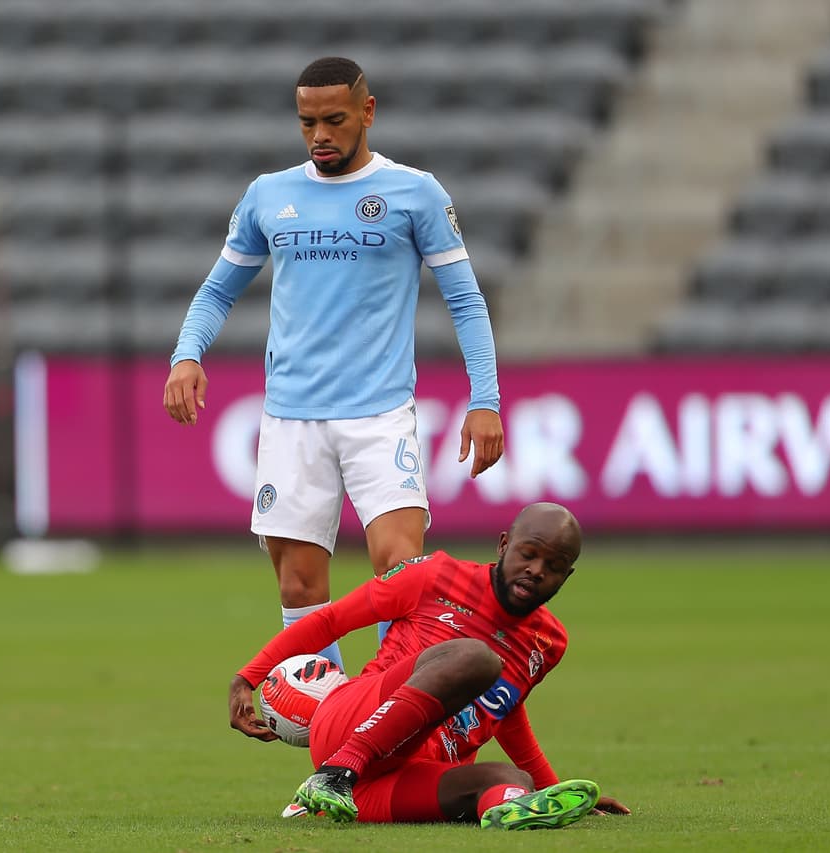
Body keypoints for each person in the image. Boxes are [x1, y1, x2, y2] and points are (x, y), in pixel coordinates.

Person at [164, 56, 504, 667]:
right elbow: (217, 290)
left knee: (400, 570)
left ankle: (390, 723)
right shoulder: (269, 195)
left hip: (380, 414)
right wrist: (187, 354)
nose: (320, 135)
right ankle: (334, 736)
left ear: (367, 113)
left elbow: (466, 299)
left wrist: (485, 400)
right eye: (306, 123)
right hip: (291, 417)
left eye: (334, 120)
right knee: (298, 584)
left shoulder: (414, 192)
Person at [228, 502, 631, 829]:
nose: (537, 570)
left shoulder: (548, 641)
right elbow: (332, 621)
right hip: (352, 722)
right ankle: (335, 774)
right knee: (473, 656)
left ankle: (518, 811)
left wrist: (551, 790)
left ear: (567, 576)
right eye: (529, 554)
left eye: (554, 567)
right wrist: (249, 676)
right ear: (504, 544)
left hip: (395, 780)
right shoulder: (435, 575)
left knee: (510, 781)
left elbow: (504, 712)